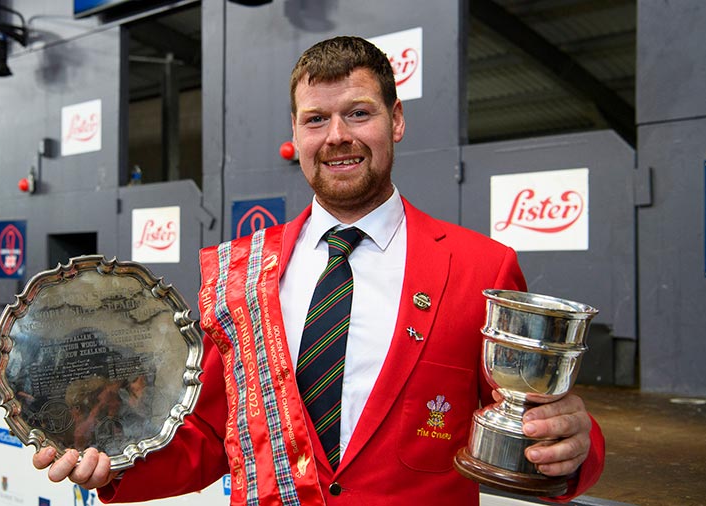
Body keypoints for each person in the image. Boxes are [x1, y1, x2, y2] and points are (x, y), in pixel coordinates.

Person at [33, 36, 605, 504]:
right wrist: (116, 466)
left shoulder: (480, 265)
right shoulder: (242, 273)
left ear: (396, 120)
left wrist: (573, 446)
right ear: (296, 134)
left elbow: (526, 417)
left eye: (359, 113)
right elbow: (211, 436)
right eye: (316, 119)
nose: (337, 137)